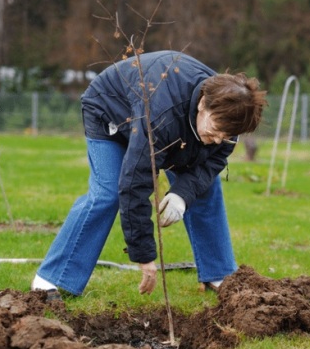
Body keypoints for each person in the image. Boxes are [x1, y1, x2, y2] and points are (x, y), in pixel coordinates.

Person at [31, 50, 267, 300]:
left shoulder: (231, 117)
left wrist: (182, 195)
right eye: (217, 130)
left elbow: (212, 162)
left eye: (226, 136)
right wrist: (144, 255)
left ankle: (218, 274)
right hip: (110, 112)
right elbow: (135, 182)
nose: (218, 140)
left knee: (205, 189)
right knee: (108, 193)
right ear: (202, 104)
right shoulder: (161, 114)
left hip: (176, 124)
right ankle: (50, 279)